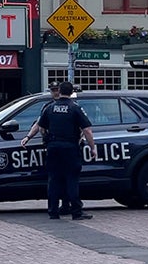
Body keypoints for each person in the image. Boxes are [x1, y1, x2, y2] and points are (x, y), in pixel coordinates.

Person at [24, 81, 97, 220]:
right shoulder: (75, 108)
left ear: (60, 91)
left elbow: (41, 126)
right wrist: (93, 147)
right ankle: (76, 212)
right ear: (71, 93)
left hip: (53, 147)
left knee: (54, 179)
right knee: (71, 179)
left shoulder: (49, 108)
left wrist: (38, 138)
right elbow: (87, 130)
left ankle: (53, 211)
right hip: (70, 147)